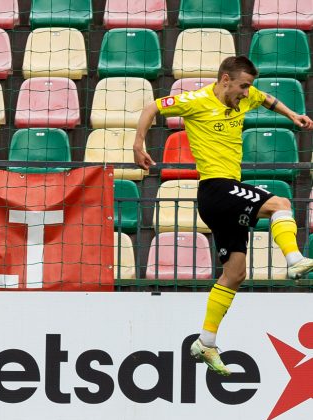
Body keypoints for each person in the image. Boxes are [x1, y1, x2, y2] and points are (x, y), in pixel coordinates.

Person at [133, 55, 313, 376]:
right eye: (243, 86)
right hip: (216, 188)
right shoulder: (196, 101)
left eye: (249, 87)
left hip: (227, 192)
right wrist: (138, 143)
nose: (247, 93)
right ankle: (294, 259)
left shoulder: (247, 95)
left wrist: (292, 114)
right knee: (281, 203)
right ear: (225, 80)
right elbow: (152, 108)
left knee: (235, 272)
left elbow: (268, 99)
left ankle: (206, 341)